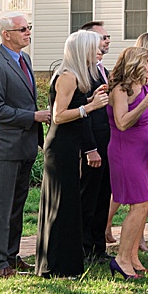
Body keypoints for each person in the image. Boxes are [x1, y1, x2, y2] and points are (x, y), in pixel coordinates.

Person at [0, 12, 50, 278]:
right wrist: (32, 116)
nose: (27, 33)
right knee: (1, 206)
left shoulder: (25, 59)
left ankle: (11, 255)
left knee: (17, 204)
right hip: (4, 146)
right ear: (6, 34)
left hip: (25, 144)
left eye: (29, 28)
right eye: (22, 29)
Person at [37, 30, 111, 278]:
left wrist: (90, 99)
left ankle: (65, 264)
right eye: (94, 47)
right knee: (61, 206)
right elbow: (58, 116)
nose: (98, 51)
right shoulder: (67, 76)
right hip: (61, 147)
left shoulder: (78, 76)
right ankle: (55, 265)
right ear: (82, 50)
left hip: (70, 145)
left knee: (69, 206)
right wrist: (89, 106)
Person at [103, 44, 148, 278]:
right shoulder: (120, 90)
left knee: (144, 204)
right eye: (146, 63)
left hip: (143, 151)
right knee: (139, 204)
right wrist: (144, 104)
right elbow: (122, 122)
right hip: (126, 151)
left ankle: (131, 256)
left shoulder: (143, 86)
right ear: (134, 64)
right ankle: (121, 258)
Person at [76, 19, 114, 263]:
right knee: (88, 198)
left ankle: (98, 247)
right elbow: (83, 112)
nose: (106, 41)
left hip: (107, 141)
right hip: (91, 143)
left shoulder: (103, 69)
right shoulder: (81, 72)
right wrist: (90, 148)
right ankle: (84, 247)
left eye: (107, 37)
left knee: (103, 196)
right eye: (102, 37)